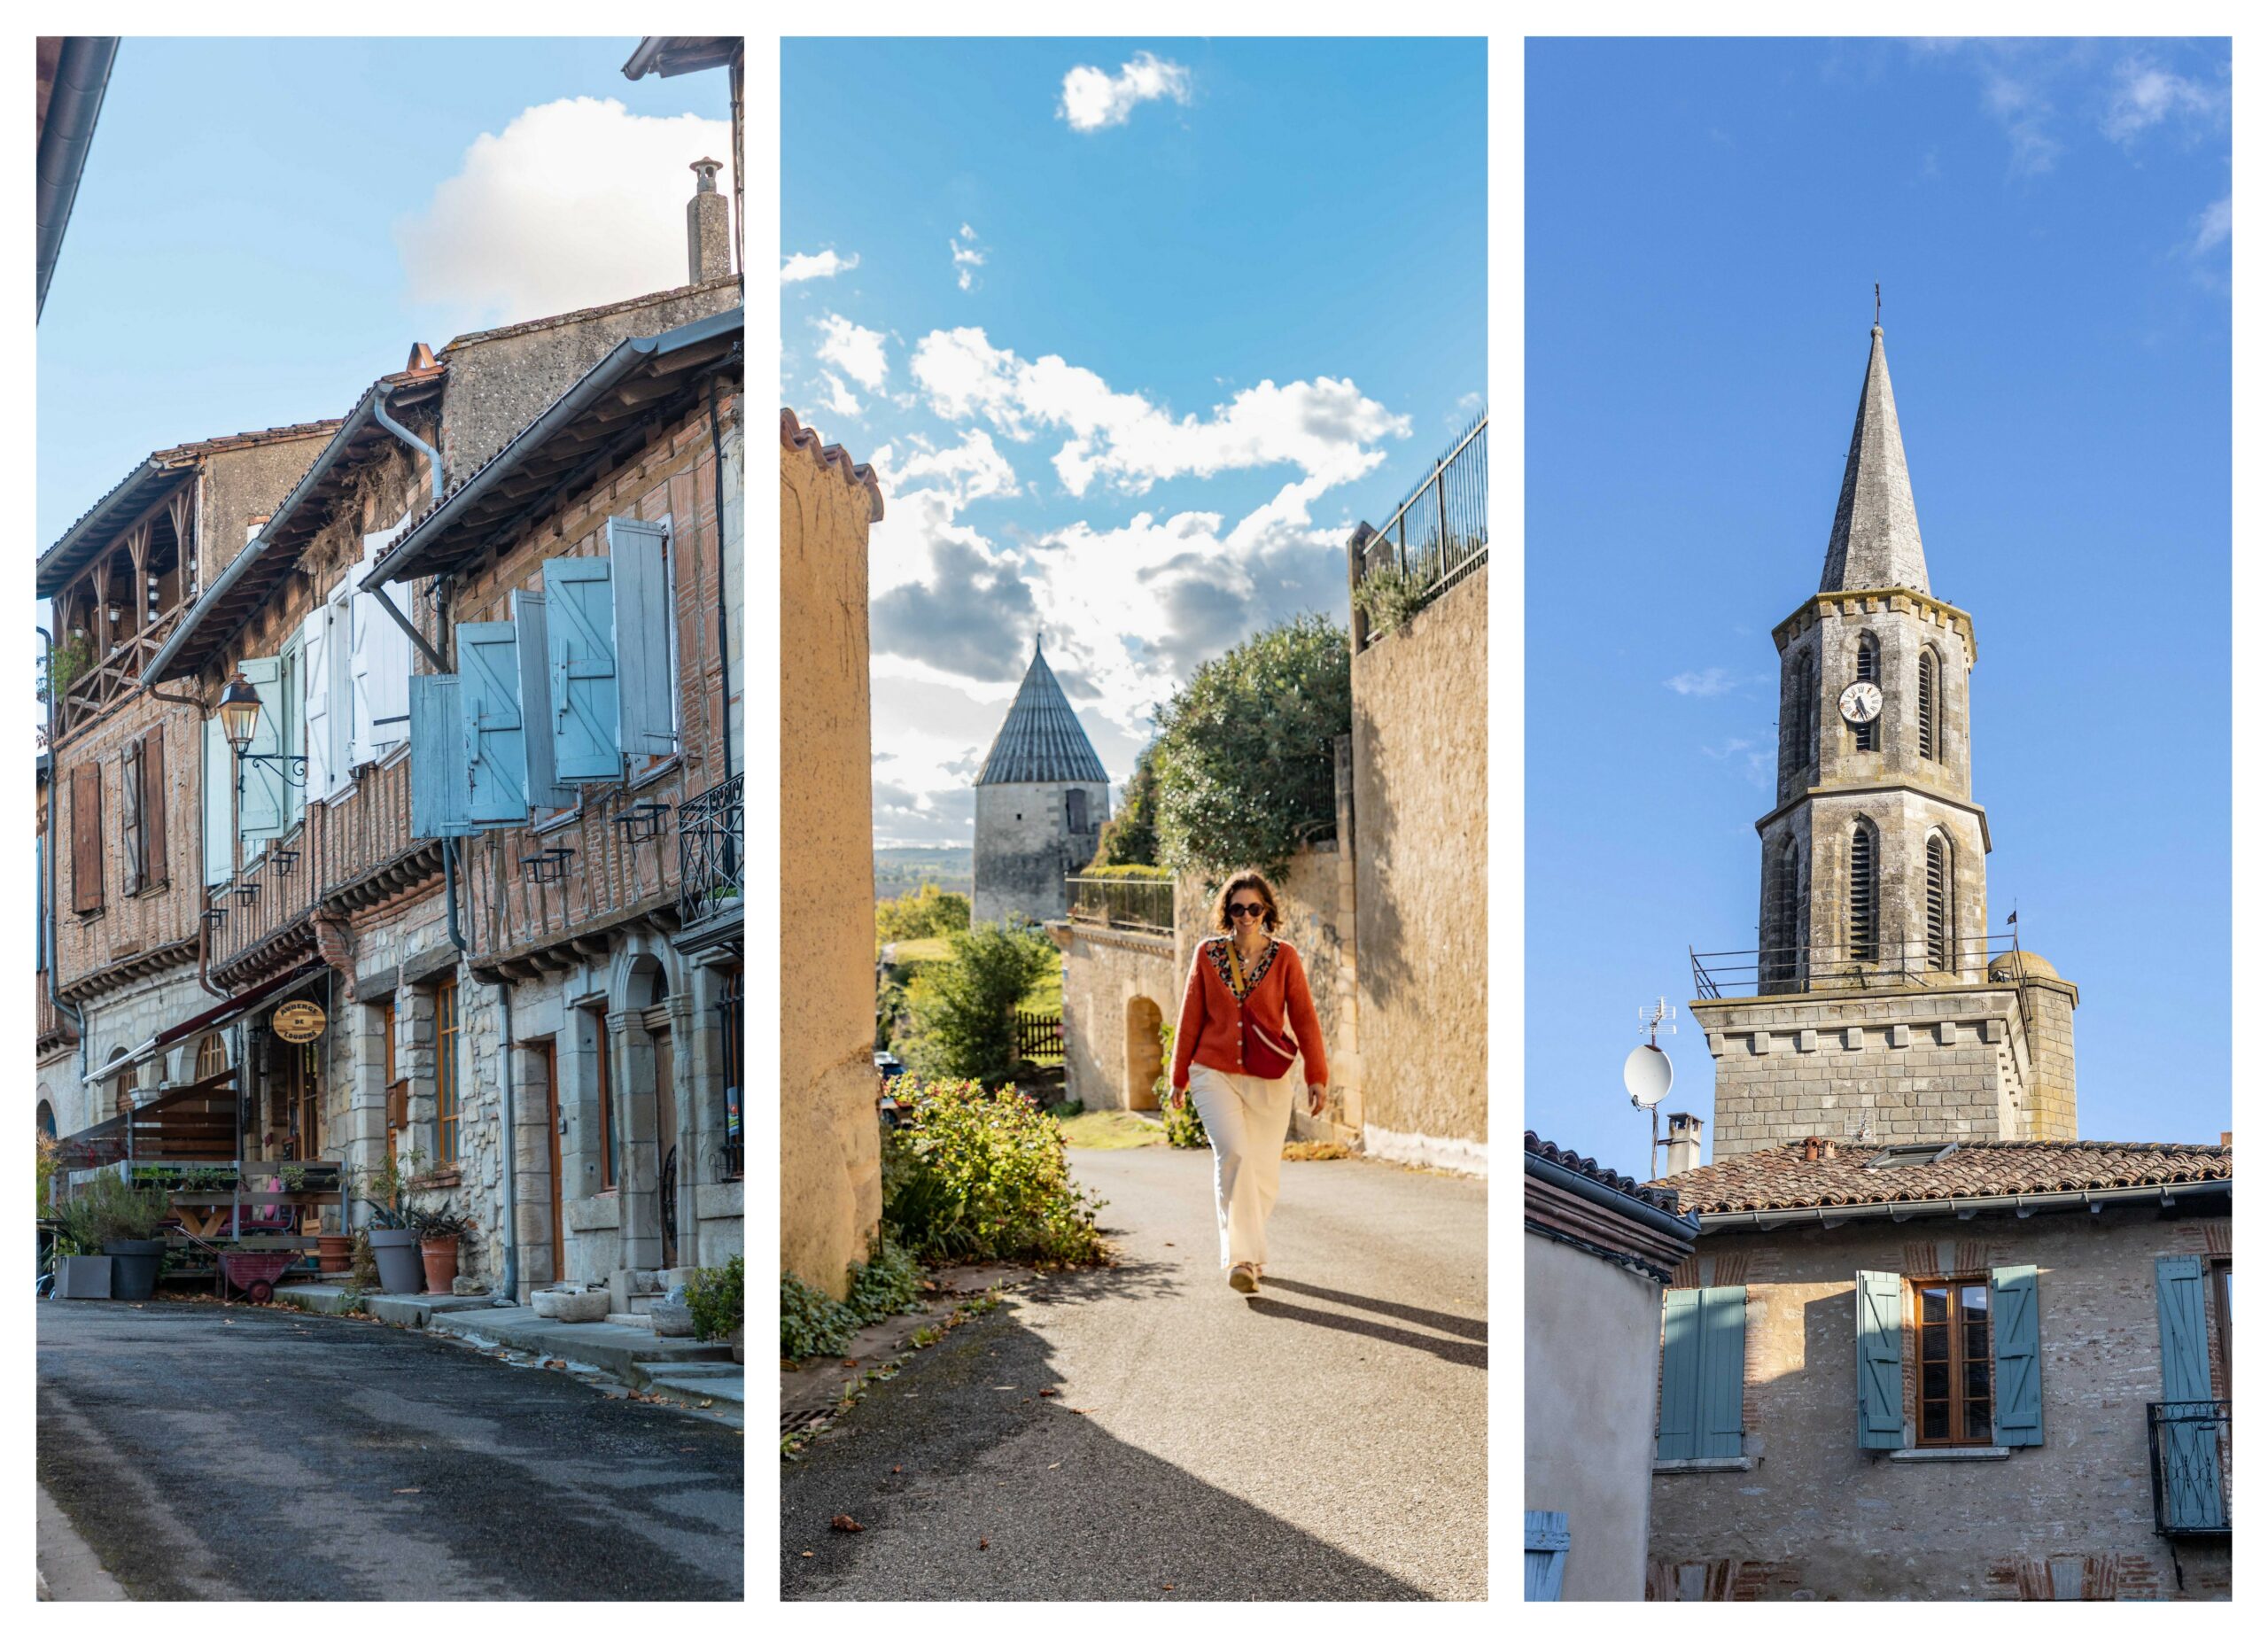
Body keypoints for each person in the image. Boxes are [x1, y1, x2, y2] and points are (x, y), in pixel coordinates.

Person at [1169, 869, 1328, 1293]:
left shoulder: (1285, 957)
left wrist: (1317, 1075)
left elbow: (1305, 1017)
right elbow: (1190, 1018)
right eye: (1237, 908)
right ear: (1227, 912)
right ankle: (1239, 1260)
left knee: (1262, 1174)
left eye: (1254, 908)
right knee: (1234, 1155)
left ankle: (1252, 1257)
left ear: (1266, 911)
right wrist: (1178, 1076)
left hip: (1268, 1077)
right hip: (1212, 1071)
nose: (1246, 916)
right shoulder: (1207, 955)